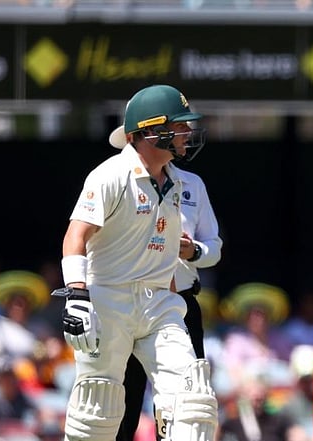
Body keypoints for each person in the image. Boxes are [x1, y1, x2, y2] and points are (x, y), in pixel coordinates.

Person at [55, 84, 218, 441]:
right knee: (97, 411)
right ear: (152, 131)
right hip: (109, 300)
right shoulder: (110, 175)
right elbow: (75, 236)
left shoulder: (177, 182)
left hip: (159, 301)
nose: (188, 133)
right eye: (180, 126)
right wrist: (78, 295)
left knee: (193, 401)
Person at [107, 109, 223, 441]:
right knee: (123, 403)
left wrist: (193, 251)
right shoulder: (115, 180)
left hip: (181, 301)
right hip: (130, 303)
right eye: (179, 126)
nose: (187, 132)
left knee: (186, 401)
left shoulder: (192, 185)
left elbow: (213, 246)